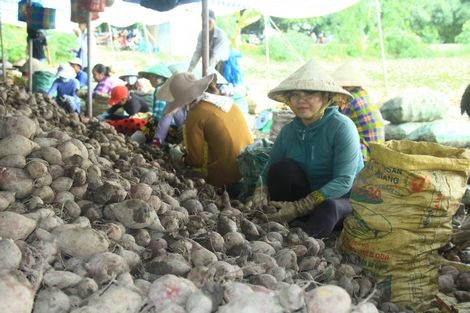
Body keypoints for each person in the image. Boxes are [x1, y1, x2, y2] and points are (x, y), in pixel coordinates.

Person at [251, 59, 364, 239]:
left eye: (310, 94)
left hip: (341, 200)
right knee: (282, 169)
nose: (301, 100)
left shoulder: (342, 127)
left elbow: (344, 180)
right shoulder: (288, 131)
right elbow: (269, 168)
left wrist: (301, 206)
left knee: (330, 208)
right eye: (295, 95)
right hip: (304, 197)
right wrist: (261, 189)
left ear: (326, 97)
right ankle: (285, 224)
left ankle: (301, 242)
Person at [156, 72, 253, 194]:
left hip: (228, 176)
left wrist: (181, 157)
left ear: (182, 100)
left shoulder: (195, 114)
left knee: (191, 170)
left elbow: (196, 160)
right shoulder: (224, 100)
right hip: (249, 164)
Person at [331, 61, 385, 162]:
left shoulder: (349, 100)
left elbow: (336, 124)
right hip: (377, 149)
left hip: (367, 151)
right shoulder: (362, 94)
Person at [187, 10, 230, 78]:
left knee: (216, 83)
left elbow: (215, 56)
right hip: (208, 61)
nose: (207, 24)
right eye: (204, 22)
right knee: (206, 81)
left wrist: (206, 73)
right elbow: (197, 52)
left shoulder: (221, 35)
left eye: (209, 22)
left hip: (220, 63)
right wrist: (189, 71)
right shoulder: (201, 34)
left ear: (214, 21)